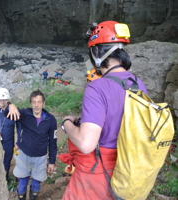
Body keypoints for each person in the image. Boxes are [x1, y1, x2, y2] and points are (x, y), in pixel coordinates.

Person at [60, 21, 148, 200]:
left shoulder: (97, 88)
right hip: (128, 167)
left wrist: (67, 123)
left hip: (97, 172)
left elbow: (86, 144)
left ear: (96, 52)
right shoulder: (138, 83)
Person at [5, 90, 57, 200]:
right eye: (34, 102)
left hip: (40, 158)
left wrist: (52, 162)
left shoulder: (50, 119)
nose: (36, 105)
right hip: (23, 156)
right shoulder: (24, 114)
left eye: (39, 102)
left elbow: (53, 142)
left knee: (36, 185)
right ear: (30, 103)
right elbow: (8, 114)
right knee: (22, 184)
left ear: (43, 103)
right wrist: (11, 106)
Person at [0, 88, 21, 181]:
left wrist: (19, 142)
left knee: (7, 159)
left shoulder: (14, 111)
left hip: (8, 141)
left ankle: (5, 178)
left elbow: (20, 128)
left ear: (6, 100)